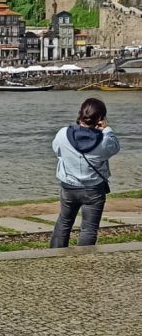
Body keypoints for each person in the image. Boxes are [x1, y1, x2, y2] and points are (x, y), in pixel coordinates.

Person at [49, 97, 120, 248]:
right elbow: (114, 148)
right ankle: (83, 260)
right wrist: (107, 129)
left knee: (64, 222)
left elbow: (57, 150)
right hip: (93, 189)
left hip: (68, 186)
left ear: (80, 114)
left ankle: (53, 257)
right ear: (100, 118)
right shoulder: (104, 141)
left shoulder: (63, 134)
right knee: (89, 229)